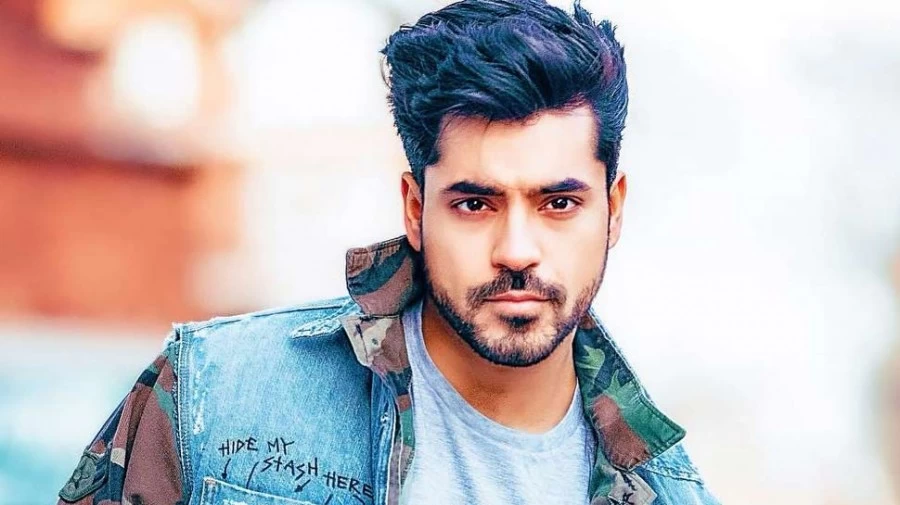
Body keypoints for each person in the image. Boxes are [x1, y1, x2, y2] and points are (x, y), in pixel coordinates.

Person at [58, 1, 720, 504]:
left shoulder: (670, 493)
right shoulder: (213, 393)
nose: (517, 250)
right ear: (414, 208)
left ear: (614, 209)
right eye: (475, 203)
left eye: (559, 203)